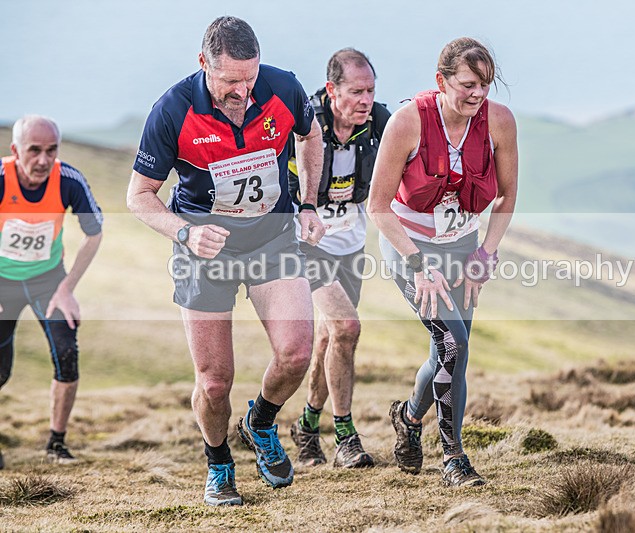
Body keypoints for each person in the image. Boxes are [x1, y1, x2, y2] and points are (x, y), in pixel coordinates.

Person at [126, 16, 324, 506]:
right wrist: (186, 232)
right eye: (230, 81)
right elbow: (139, 196)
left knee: (297, 352)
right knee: (215, 382)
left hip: (271, 238)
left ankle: (260, 422)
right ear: (203, 64)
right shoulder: (172, 110)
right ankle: (218, 463)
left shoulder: (283, 87)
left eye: (250, 79)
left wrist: (310, 201)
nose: (243, 92)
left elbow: (311, 135)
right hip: (205, 249)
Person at [367, 37, 518, 487]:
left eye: (485, 85)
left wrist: (485, 254)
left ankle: (409, 418)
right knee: (453, 344)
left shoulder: (499, 123)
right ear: (441, 80)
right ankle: (454, 458)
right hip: (408, 246)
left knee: (453, 349)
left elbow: (508, 196)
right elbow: (378, 207)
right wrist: (419, 265)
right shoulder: (407, 122)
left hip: (461, 248)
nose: (478, 95)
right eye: (468, 84)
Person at [285, 48, 390, 469]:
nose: (365, 100)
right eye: (356, 91)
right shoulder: (303, 122)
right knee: (347, 327)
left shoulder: (380, 122)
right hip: (305, 243)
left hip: (350, 245)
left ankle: (306, 427)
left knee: (332, 339)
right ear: (332, 90)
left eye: (371, 91)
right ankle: (345, 436)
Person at [0, 115, 103, 469]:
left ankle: (56, 444)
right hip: (2, 282)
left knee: (66, 352)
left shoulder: (68, 180)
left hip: (48, 281)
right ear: (15, 151)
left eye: (51, 150)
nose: (43, 159)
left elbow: (95, 233)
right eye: (34, 151)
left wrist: (67, 287)